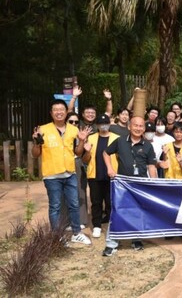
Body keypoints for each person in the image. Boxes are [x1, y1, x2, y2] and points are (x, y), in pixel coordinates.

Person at [31, 99, 92, 245]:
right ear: (51, 113)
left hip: (69, 173)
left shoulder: (73, 130)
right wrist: (36, 142)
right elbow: (35, 154)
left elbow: (77, 153)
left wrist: (82, 141)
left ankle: (76, 233)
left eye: (61, 110)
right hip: (52, 175)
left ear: (66, 113)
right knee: (55, 206)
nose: (59, 112)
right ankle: (57, 235)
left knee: (74, 203)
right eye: (55, 110)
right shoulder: (43, 130)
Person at [102, 116, 158, 256]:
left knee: (138, 212)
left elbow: (151, 165)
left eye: (141, 126)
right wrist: (110, 169)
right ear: (129, 127)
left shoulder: (148, 145)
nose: (138, 128)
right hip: (122, 184)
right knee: (117, 212)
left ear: (144, 129)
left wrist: (154, 182)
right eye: (135, 125)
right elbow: (105, 153)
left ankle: (136, 240)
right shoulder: (120, 141)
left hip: (140, 184)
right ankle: (112, 243)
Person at [82, 114, 120, 238]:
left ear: (110, 124)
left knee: (111, 202)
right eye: (100, 123)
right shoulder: (91, 138)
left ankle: (111, 224)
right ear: (97, 125)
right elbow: (86, 160)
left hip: (112, 175)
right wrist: (87, 151)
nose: (103, 125)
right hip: (95, 175)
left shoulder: (117, 138)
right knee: (96, 202)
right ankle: (97, 226)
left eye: (106, 123)